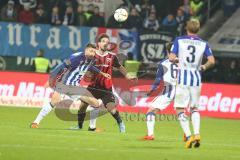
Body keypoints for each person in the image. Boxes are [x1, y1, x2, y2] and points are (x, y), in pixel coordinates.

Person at [30, 44, 110, 130]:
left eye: (94, 52)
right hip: (64, 84)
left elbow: (90, 66)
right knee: (54, 102)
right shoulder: (75, 58)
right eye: (91, 51)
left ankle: (92, 128)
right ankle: (35, 122)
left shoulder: (91, 59)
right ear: (86, 50)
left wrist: (102, 73)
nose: (92, 53)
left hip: (75, 87)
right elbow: (61, 67)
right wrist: (50, 80)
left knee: (96, 103)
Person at [76, 33, 137, 133]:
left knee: (111, 108)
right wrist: (87, 74)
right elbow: (87, 69)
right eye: (103, 41)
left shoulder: (112, 57)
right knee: (83, 105)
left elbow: (120, 67)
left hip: (106, 88)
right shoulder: (93, 55)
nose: (106, 44)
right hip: (93, 87)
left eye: (107, 42)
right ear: (98, 43)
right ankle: (79, 126)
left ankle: (121, 124)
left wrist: (128, 75)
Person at [169, 19, 215, 148]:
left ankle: (189, 136)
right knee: (195, 108)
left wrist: (179, 59)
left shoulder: (179, 40)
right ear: (198, 29)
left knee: (179, 109)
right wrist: (203, 67)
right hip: (196, 80)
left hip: (183, 79)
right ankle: (197, 134)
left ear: (186, 28)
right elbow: (211, 60)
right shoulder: (203, 43)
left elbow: (171, 58)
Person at [143, 42, 178, 140]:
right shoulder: (182, 62)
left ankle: (150, 135)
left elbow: (158, 80)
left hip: (168, 91)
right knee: (181, 112)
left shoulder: (163, 63)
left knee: (151, 111)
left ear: (167, 51)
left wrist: (151, 89)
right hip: (181, 91)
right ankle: (187, 134)